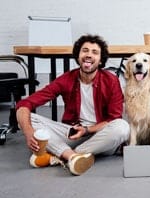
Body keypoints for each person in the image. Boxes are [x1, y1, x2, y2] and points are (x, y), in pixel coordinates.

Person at [16, 34, 130, 176]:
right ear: (78, 56)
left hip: (100, 136)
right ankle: (74, 157)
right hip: (72, 133)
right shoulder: (66, 79)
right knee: (28, 118)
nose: (89, 55)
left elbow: (113, 119)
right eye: (85, 50)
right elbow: (25, 104)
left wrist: (87, 130)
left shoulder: (111, 80)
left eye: (94, 52)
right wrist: (28, 132)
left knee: (122, 127)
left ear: (101, 61)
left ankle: (60, 155)